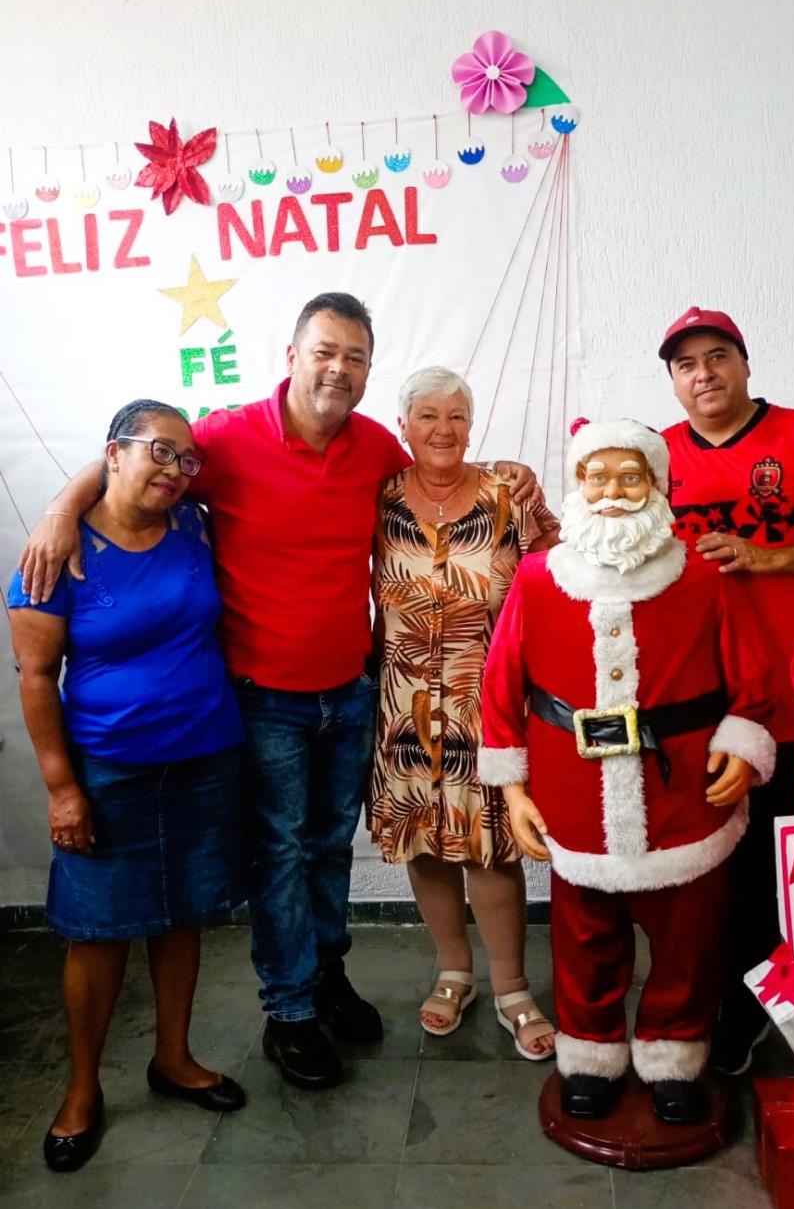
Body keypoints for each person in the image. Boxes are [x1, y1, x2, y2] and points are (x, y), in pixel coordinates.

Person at [18, 293, 540, 1092]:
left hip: (352, 691)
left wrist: (512, 474)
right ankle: (289, 1010)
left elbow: (444, 473)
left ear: (368, 372)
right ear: (292, 355)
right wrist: (62, 506)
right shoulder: (228, 438)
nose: (339, 369)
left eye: (355, 357)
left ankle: (326, 977)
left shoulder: (374, 447)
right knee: (281, 855)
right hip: (264, 698)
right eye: (325, 351)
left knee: (329, 848)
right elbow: (141, 453)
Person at [480, 418, 775, 1124]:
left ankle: (676, 1051)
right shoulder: (538, 578)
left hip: (685, 794)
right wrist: (513, 788)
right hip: (573, 794)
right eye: (597, 476)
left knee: (689, 940)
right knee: (584, 936)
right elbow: (501, 685)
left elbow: (754, 675)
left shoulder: (702, 574)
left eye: (630, 476)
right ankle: (590, 1052)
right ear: (577, 484)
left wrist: (741, 745)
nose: (612, 491)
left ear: (657, 486)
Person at [7, 400, 246, 1174]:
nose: (175, 470)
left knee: (182, 916)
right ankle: (82, 1089)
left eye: (187, 459)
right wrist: (61, 789)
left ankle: (173, 1058)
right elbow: (36, 678)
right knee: (98, 932)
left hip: (206, 757)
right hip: (108, 771)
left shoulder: (193, 525)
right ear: (113, 454)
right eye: (159, 452)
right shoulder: (57, 552)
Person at [659, 305, 794, 1074]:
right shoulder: (656, 455)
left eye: (718, 356)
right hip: (694, 702)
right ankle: (705, 1001)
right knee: (703, 866)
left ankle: (762, 1008)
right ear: (673, 380)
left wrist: (771, 558)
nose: (704, 374)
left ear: (745, 364)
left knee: (776, 863)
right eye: (686, 363)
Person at [369, 367, 559, 1057]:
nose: (442, 429)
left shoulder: (509, 493)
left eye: (456, 415)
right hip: (403, 703)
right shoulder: (379, 497)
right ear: (404, 426)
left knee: (491, 845)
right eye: (427, 415)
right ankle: (453, 971)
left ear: (472, 426)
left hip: (491, 703)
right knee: (423, 839)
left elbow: (561, 577)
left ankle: (511, 987)